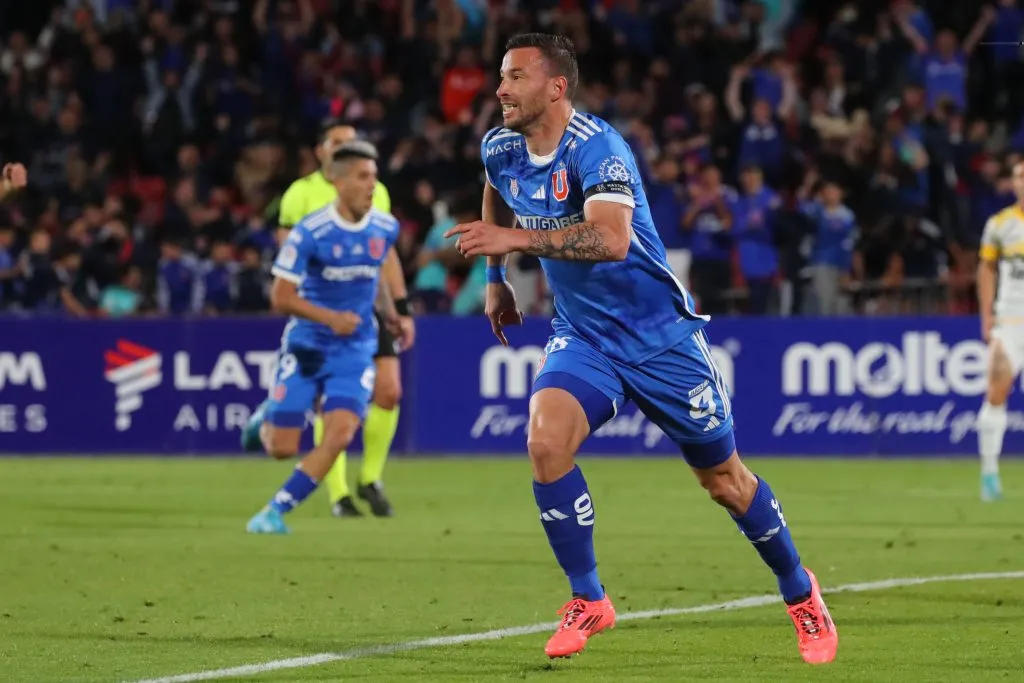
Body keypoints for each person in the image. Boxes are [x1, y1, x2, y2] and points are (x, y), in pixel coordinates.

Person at [445, 33, 837, 664]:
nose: (500, 88)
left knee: (725, 483)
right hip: (584, 336)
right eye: (501, 76)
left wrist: (511, 239)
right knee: (545, 444)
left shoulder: (598, 148)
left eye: (515, 77)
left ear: (556, 85)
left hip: (660, 339)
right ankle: (589, 599)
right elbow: (494, 191)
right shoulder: (501, 146)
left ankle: (800, 592)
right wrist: (496, 281)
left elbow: (612, 239)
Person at [243, 122, 413, 518]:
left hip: (361, 321)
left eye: (373, 175)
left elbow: (382, 258)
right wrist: (325, 314)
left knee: (385, 394)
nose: (371, 184)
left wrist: (398, 311)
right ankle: (333, 489)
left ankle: (367, 479)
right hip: (315, 321)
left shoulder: (381, 206)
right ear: (325, 156)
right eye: (340, 144)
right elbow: (285, 273)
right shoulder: (302, 197)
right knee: (282, 446)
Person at [976, 160, 1024, 502]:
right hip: (1010, 321)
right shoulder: (1000, 224)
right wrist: (986, 316)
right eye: (1020, 176)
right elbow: (986, 269)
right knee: (997, 391)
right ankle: (989, 473)